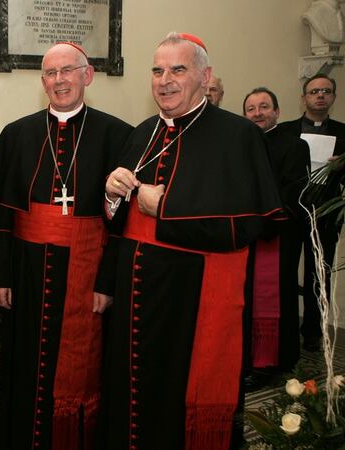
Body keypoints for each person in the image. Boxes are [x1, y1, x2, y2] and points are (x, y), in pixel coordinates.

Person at [100, 33, 281, 449]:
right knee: (133, 394)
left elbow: (250, 226)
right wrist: (111, 195)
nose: (165, 80)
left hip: (192, 299)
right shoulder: (143, 131)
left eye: (177, 70)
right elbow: (118, 223)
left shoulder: (237, 136)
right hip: (136, 297)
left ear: (205, 76)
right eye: (158, 70)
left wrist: (161, 210)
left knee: (175, 403)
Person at [0, 41, 132, 449]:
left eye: (68, 70)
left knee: (85, 369)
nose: (59, 80)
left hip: (87, 273)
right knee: (25, 365)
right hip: (27, 270)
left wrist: (107, 282)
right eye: (50, 73)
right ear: (42, 81)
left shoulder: (117, 134)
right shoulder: (16, 134)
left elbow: (123, 224)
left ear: (88, 75)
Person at [243, 88, 310, 384]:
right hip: (244, 233)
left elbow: (293, 192)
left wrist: (262, 220)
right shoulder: (241, 144)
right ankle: (248, 357)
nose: (258, 113)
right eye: (251, 108)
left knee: (273, 295)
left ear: (277, 112)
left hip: (276, 232)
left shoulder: (293, 145)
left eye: (264, 107)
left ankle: (270, 360)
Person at [277, 73, 345, 352]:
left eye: (326, 91)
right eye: (314, 91)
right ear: (304, 97)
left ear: (333, 97)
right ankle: (288, 329)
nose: (320, 96)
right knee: (286, 272)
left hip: (325, 214)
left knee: (320, 273)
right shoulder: (285, 131)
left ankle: (314, 331)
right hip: (292, 214)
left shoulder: (343, 133)